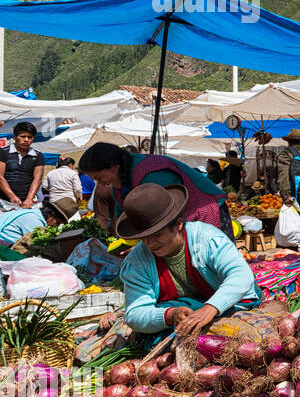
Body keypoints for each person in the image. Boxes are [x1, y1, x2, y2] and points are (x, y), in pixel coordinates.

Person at [118, 183, 261, 340]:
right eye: (143, 237)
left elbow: (241, 275)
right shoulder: (137, 261)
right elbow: (135, 313)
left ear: (178, 224)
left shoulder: (206, 239)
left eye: (157, 235)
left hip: (229, 302)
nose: (150, 244)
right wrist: (170, 315)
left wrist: (211, 308)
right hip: (186, 308)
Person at [79, 142, 234, 238]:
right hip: (178, 223)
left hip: (203, 210)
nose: (101, 183)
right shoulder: (119, 188)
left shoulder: (150, 173)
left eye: (99, 178)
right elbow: (125, 221)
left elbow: (166, 217)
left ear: (114, 165)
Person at [0, 197, 77, 246]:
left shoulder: (35, 213)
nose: (56, 226)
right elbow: (35, 244)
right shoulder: (34, 220)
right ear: (52, 217)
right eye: (57, 223)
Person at [2, 121, 45, 209]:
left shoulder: (38, 156)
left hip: (27, 203)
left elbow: (37, 178)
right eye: (23, 136)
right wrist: (12, 196)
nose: (26, 140)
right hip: (4, 201)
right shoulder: (3, 152)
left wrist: (29, 198)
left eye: (30, 137)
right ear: (14, 137)